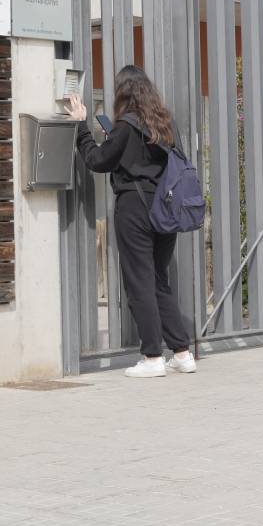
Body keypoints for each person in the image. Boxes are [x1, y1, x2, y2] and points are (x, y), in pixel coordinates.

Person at [67, 65, 197, 378]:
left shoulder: (126, 126)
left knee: (140, 282)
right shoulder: (165, 125)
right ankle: (181, 353)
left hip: (136, 209)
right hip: (166, 209)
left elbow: (98, 161)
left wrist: (81, 127)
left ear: (124, 92)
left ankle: (152, 357)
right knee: (157, 279)